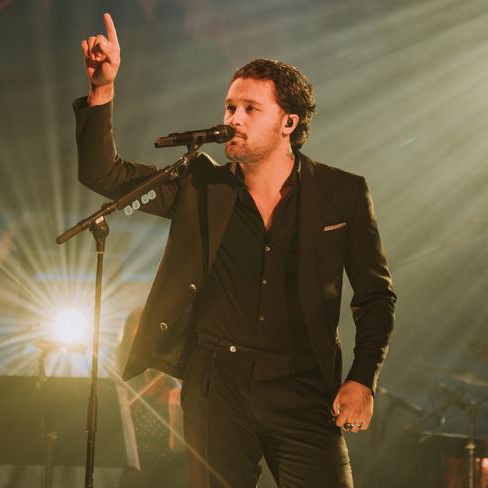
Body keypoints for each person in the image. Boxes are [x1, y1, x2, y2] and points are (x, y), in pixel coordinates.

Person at [74, 13, 396, 488]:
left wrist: (362, 378)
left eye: (250, 109)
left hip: (304, 385)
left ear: (289, 122)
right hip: (215, 383)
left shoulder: (341, 193)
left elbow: (375, 296)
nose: (232, 119)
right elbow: (106, 175)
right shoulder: (200, 184)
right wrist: (103, 89)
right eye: (229, 108)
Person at [116, 308, 189, 488]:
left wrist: (175, 410)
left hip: (175, 469)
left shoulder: (176, 382)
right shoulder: (127, 384)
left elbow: (177, 448)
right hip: (137, 471)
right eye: (135, 342)